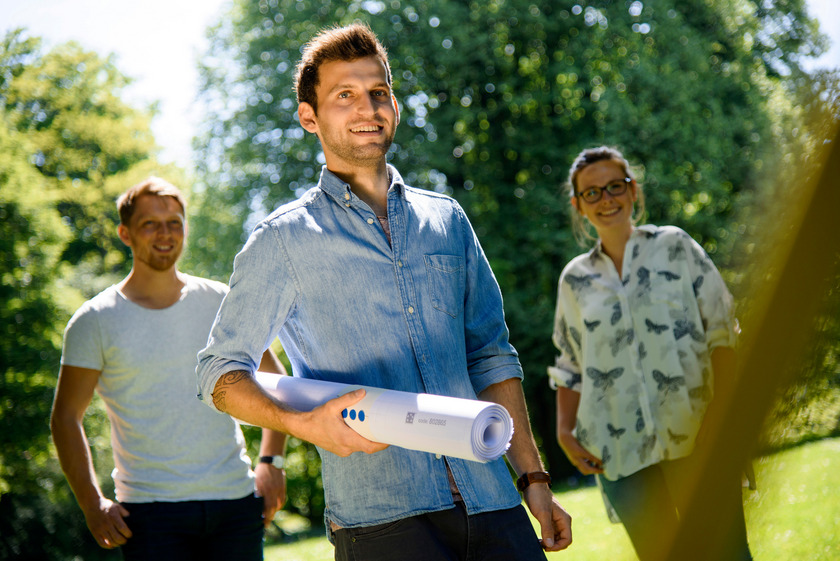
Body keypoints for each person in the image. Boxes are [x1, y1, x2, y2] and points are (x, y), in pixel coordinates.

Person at [196, 23, 572, 561]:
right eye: (343, 96)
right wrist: (304, 425)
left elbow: (491, 356)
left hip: (493, 504)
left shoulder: (447, 220)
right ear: (310, 117)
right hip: (381, 523)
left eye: (378, 93)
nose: (366, 109)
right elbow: (218, 374)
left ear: (393, 104)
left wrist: (533, 477)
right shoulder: (281, 240)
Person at [50, 177, 288, 560]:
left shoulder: (221, 301)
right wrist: (93, 504)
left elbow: (276, 383)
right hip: (149, 514)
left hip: (236, 504)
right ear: (125, 234)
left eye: (174, 222)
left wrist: (271, 461)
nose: (165, 233)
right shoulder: (93, 320)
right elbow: (65, 419)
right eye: (150, 224)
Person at [548, 146, 752, 560]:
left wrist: (722, 412)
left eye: (615, 186)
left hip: (698, 434)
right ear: (578, 205)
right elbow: (570, 365)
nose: (606, 199)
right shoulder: (575, 280)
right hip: (619, 455)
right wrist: (565, 432)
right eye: (592, 193)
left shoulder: (676, 246)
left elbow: (722, 333)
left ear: (632, 190)